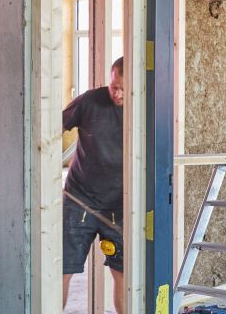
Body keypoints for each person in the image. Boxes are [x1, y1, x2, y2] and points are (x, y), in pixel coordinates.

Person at [62, 56, 125, 314]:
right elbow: (50, 128)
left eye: (124, 89)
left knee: (123, 273)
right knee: (63, 269)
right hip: (80, 199)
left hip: (121, 205)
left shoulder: (145, 107)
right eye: (114, 86)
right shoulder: (89, 101)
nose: (118, 93)